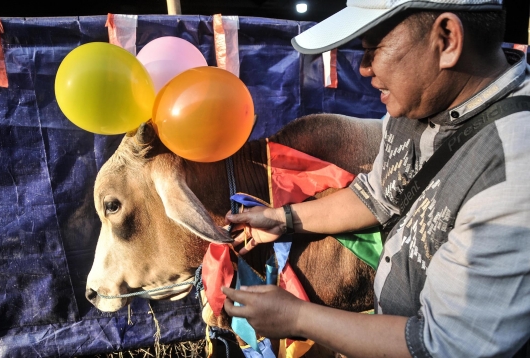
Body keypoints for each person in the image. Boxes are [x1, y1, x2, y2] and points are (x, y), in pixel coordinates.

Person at [222, 0, 530, 357]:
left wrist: (297, 317)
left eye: (373, 49)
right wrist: (282, 219)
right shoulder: (418, 104)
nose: (364, 68)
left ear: (446, 40)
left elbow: (442, 346)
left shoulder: (513, 169)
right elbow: (377, 195)